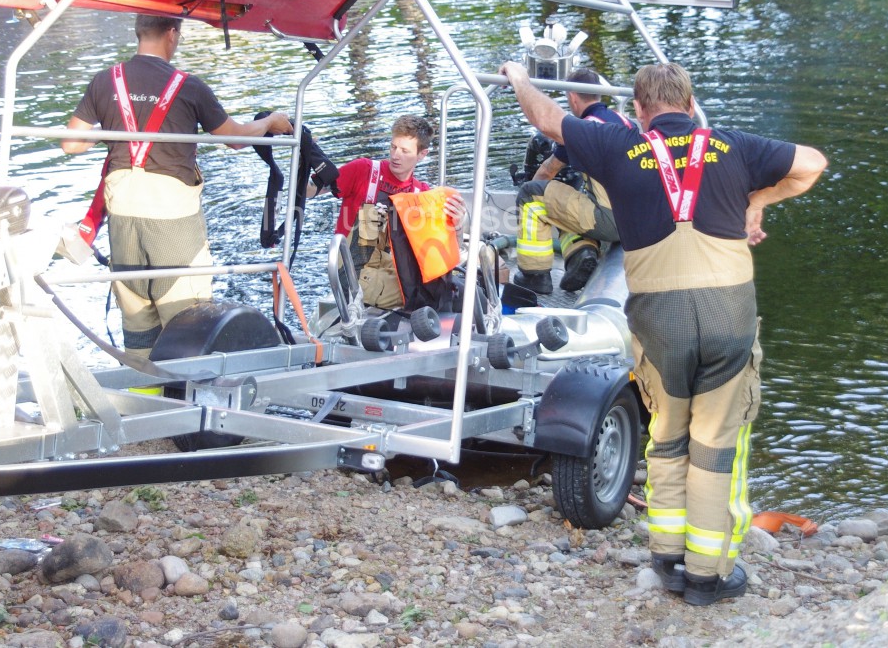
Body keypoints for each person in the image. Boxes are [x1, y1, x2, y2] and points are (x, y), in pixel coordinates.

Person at [499, 59, 827, 606]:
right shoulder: (733, 146)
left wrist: (517, 79)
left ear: (638, 110)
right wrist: (755, 202)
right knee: (718, 443)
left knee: (668, 434)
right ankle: (708, 576)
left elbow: (549, 119)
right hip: (727, 315)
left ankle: (667, 558)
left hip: (658, 317)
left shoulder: (617, 145)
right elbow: (812, 163)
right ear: (691, 105)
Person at [61, 13, 292, 358]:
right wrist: (270, 121)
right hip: (172, 217)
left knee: (138, 322)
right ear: (172, 34)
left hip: (123, 215)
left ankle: (144, 398)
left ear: (139, 32)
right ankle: (190, 403)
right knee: (189, 322)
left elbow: (71, 144)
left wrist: (112, 133)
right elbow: (234, 139)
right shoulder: (189, 86)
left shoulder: (105, 80)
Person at [313, 115, 464, 310]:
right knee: (444, 293)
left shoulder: (422, 194)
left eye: (404, 151)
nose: (395, 155)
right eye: (393, 147)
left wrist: (457, 226)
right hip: (353, 269)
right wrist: (309, 161)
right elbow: (311, 190)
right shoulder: (363, 171)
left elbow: (443, 254)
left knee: (454, 289)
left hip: (396, 272)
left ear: (422, 154)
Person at [513, 67, 634, 296]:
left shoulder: (584, 128)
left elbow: (548, 171)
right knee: (567, 197)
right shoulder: (623, 121)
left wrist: (528, 190)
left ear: (572, 97)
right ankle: (581, 252)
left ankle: (534, 276)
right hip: (634, 218)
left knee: (533, 196)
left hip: (611, 219)